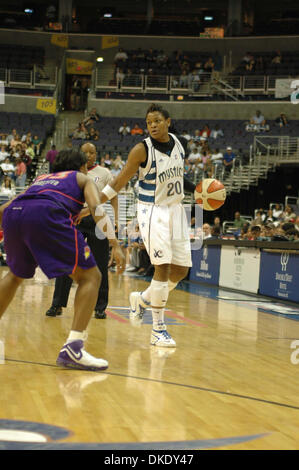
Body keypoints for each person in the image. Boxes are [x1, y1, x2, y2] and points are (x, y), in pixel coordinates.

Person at [0, 149, 125, 371]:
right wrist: (115, 244)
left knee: (15, 275)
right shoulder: (82, 178)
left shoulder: (41, 179)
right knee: (91, 277)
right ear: (83, 166)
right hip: (46, 213)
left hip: (15, 214)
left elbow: (8, 206)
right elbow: (97, 208)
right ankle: (73, 348)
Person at [98, 103, 194, 348]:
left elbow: (178, 176)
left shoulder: (182, 143)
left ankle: (141, 299)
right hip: (152, 210)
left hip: (176, 209)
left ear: (168, 122)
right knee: (161, 267)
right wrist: (93, 203)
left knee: (181, 270)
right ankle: (158, 329)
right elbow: (119, 181)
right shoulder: (141, 150)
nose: (152, 125)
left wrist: (201, 189)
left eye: (157, 121)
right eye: (149, 122)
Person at [45, 142, 118, 320]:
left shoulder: (105, 173)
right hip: (75, 217)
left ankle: (100, 307)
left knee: (100, 264)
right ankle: (57, 304)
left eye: (91, 152)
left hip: (97, 219)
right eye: (84, 152)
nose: (88, 155)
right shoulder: (73, 173)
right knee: (67, 261)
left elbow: (113, 196)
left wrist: (115, 221)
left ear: (96, 154)